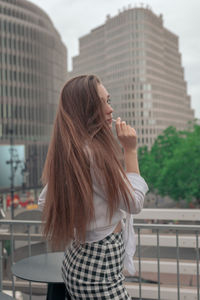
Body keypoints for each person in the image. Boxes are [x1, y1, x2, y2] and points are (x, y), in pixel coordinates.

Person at [38, 75, 148, 299]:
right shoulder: (94, 153)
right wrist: (130, 150)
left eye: (109, 100)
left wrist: (84, 212)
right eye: (102, 103)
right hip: (99, 269)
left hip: (80, 261)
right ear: (85, 108)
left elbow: (44, 201)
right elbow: (134, 203)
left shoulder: (74, 150)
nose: (110, 109)